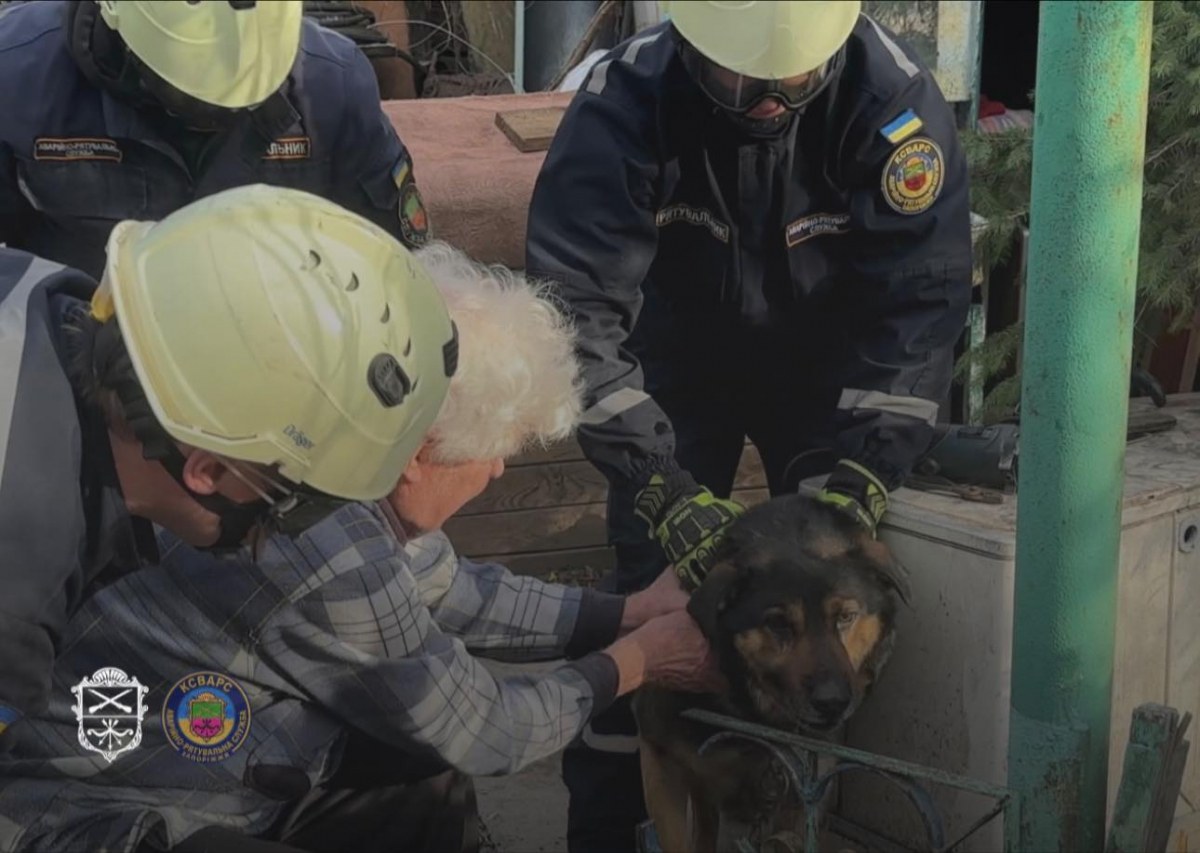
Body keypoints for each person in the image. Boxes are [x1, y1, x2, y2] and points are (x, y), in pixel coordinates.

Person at [0, 241, 716, 853]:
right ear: (419, 450)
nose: (500, 471)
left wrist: (625, 611)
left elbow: (446, 588)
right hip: (100, 800)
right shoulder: (311, 528)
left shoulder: (334, 454)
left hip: (201, 737)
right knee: (428, 743)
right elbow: (486, 727)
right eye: (494, 453)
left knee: (418, 769)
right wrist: (640, 661)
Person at [525, 1, 974, 849]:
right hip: (670, 370)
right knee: (651, 597)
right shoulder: (624, 100)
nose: (768, 98)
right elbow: (575, 311)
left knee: (827, 605)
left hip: (828, 383)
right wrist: (654, 481)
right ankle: (609, 829)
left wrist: (868, 473)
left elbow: (921, 306)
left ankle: (797, 818)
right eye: (741, 76)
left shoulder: (896, 105)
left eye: (792, 77)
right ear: (695, 40)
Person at [0, 184, 457, 749]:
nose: (277, 539)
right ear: (208, 471)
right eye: (294, 508)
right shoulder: (17, 593)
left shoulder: (40, 291)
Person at [0, 0, 431, 278]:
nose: (216, 120)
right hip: (71, 374)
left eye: (244, 102)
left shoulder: (331, 86)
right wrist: (75, 330)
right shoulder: (17, 80)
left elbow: (398, 265)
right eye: (193, 102)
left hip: (279, 367)